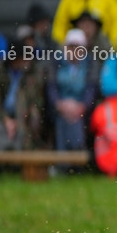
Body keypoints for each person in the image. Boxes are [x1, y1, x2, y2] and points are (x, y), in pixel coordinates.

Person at [45, 28, 99, 157]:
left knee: (74, 119)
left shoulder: (91, 64)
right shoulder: (56, 62)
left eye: (77, 47)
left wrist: (81, 107)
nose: (74, 51)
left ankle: (72, 156)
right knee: (63, 119)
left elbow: (91, 89)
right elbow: (51, 87)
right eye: (71, 47)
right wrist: (60, 104)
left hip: (82, 108)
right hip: (59, 107)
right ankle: (71, 157)